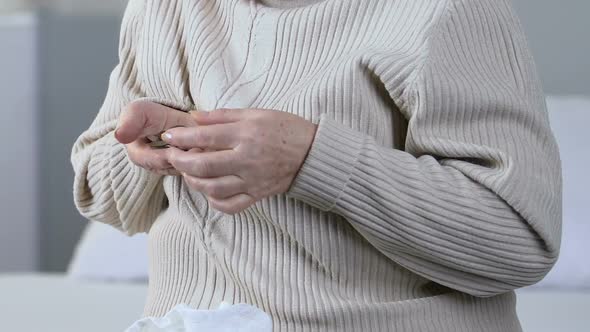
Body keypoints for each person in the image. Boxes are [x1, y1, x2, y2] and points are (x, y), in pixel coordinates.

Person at [71, 0, 562, 330]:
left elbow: (518, 244)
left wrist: (310, 159)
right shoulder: (163, 8)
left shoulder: (448, 12)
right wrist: (146, 149)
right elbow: (103, 199)